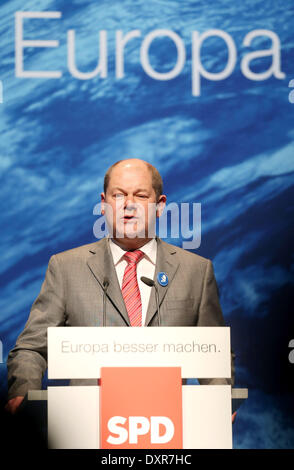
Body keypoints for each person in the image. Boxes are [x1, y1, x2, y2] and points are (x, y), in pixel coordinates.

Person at [6, 158, 235, 417]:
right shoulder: (66, 267)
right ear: (103, 204)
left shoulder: (196, 270)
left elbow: (214, 351)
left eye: (140, 195)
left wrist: (221, 397)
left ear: (160, 206)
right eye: (119, 195)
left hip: (167, 428)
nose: (129, 205)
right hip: (86, 426)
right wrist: (22, 392)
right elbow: (32, 348)